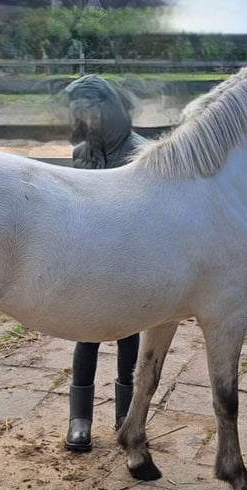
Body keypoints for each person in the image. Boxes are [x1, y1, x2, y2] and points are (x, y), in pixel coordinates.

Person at [62, 74, 147, 451]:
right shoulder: (83, 153)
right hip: (90, 261)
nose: (82, 119)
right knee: (87, 336)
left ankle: (126, 415)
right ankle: (79, 419)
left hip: (128, 262)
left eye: (89, 111)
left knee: (130, 339)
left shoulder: (140, 152)